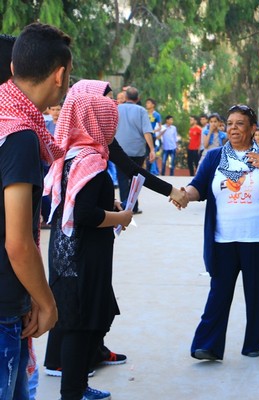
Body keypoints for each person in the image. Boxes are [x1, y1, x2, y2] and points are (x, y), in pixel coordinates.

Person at [42, 79, 189, 380]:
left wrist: (170, 191)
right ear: (91, 107)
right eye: (108, 100)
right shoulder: (84, 153)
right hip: (76, 240)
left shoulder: (97, 141)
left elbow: (131, 170)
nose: (114, 106)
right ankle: (63, 364)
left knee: (96, 299)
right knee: (75, 300)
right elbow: (82, 210)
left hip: (90, 240)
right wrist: (118, 216)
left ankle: (92, 351)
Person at [185, 104, 259, 361]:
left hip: (258, 238)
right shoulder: (214, 157)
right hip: (222, 239)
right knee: (218, 293)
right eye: (230, 124)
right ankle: (207, 345)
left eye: (240, 124)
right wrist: (185, 195)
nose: (233, 128)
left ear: (253, 128)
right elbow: (198, 186)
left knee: (258, 296)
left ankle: (253, 342)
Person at [44, 92, 132, 400]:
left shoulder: (73, 154)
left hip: (70, 254)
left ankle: (79, 387)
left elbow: (77, 202)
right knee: (80, 326)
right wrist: (120, 217)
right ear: (97, 121)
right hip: (82, 257)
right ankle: (72, 392)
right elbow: (83, 214)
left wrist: (109, 205)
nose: (113, 127)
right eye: (110, 120)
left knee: (92, 319)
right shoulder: (91, 160)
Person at [0, 22, 71, 400]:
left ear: (14, 68)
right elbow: (18, 243)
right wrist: (46, 302)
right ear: (60, 75)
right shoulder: (20, 135)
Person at [114, 87, 156, 214]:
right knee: (135, 179)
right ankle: (134, 206)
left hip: (119, 150)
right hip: (137, 151)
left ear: (125, 97)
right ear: (138, 99)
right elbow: (147, 132)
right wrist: (152, 149)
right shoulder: (142, 111)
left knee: (122, 179)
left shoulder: (116, 109)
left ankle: (124, 207)